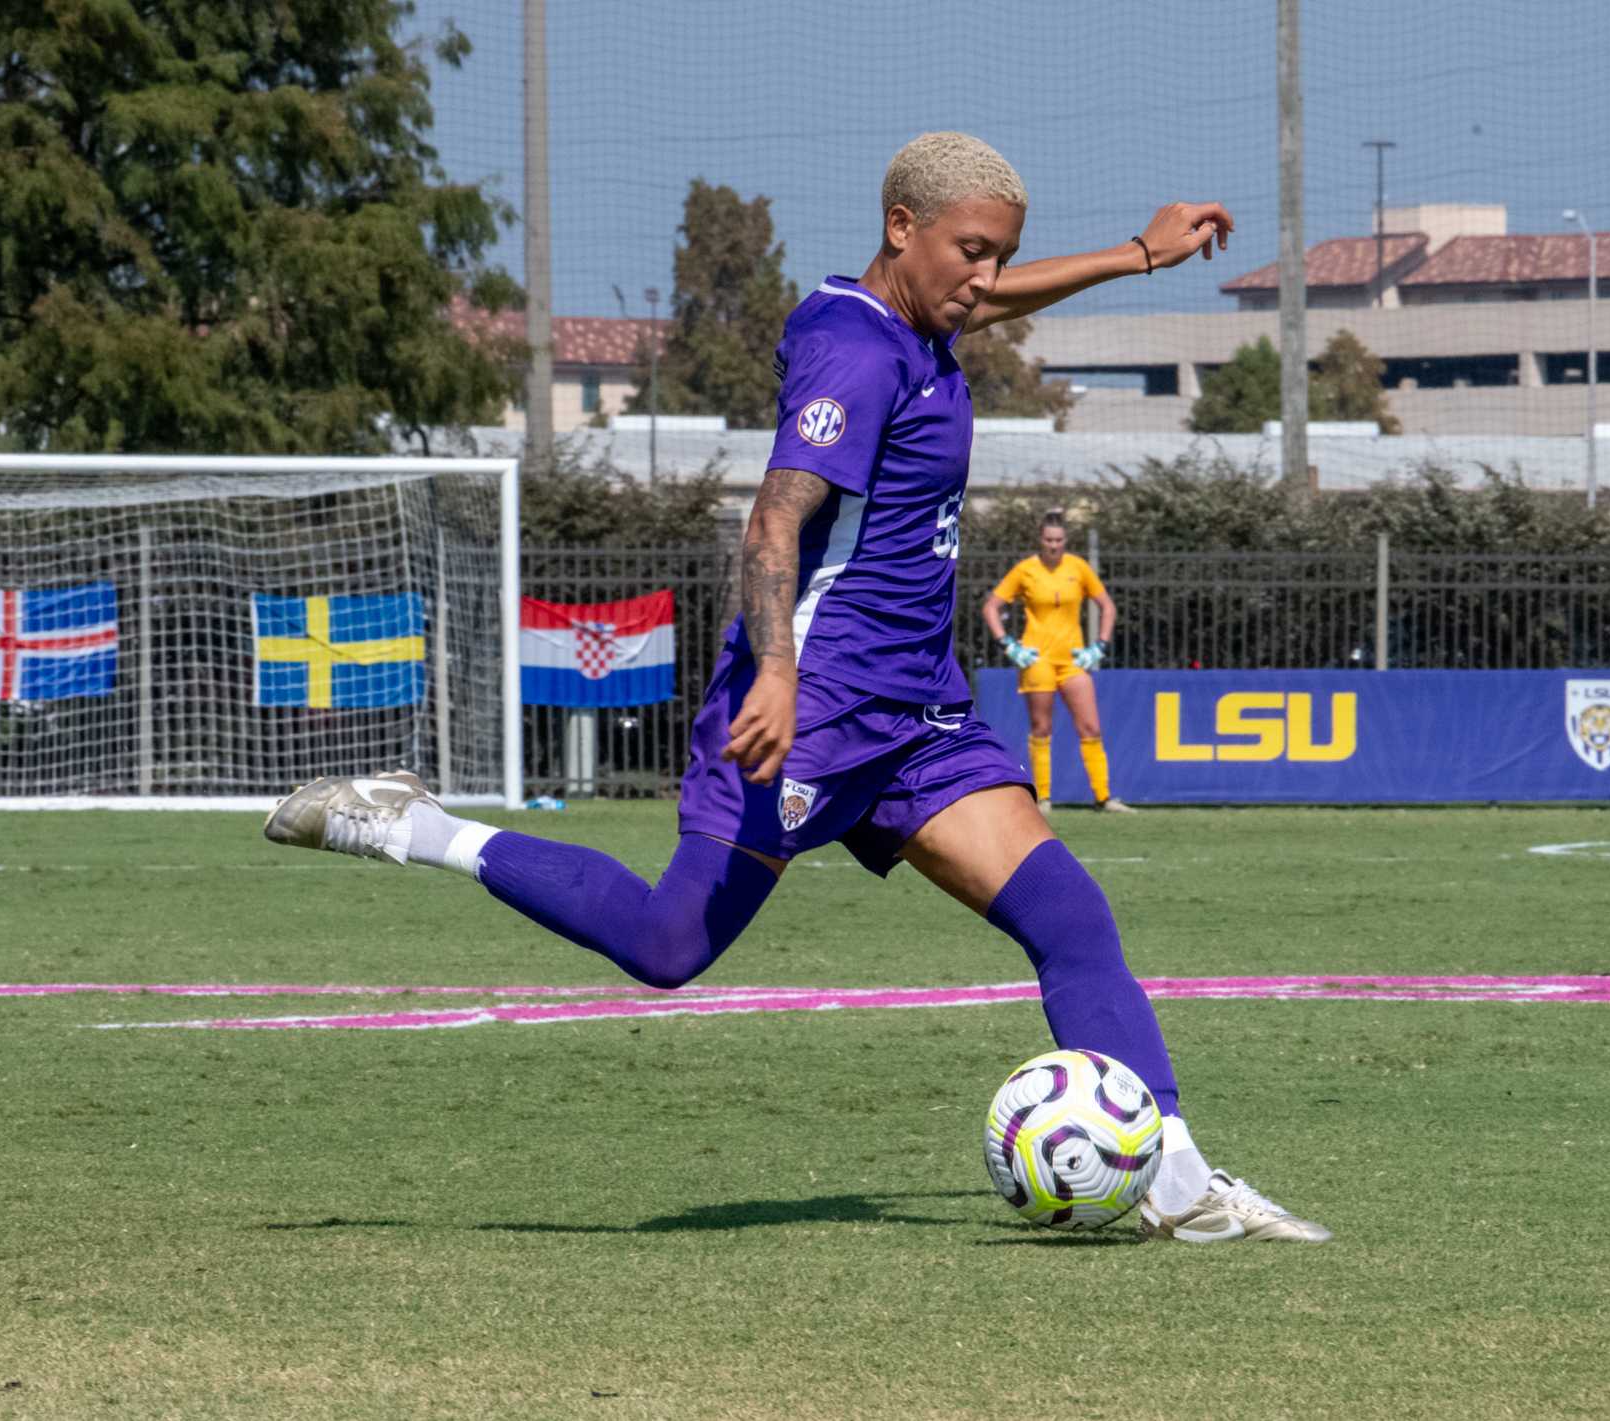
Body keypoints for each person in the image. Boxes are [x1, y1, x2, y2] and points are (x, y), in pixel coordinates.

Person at [263, 132, 1327, 1245]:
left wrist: (1135, 256)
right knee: (668, 945)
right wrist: (774, 670)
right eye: (970, 251)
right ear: (900, 229)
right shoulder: (854, 356)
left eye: (997, 256)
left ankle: (1177, 1183)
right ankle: (413, 825)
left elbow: (985, 300)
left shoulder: (916, 316)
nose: (985, 278)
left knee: (1069, 917)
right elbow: (775, 516)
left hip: (918, 715)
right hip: (810, 710)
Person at [982, 510, 1132, 814]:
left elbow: (1107, 606)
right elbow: (991, 607)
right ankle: (1043, 798)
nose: (1054, 545)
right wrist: (1009, 645)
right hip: (1037, 659)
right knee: (1041, 728)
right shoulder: (1026, 570)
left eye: (1059, 540)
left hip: (1073, 660)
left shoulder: (1078, 567)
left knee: (1090, 726)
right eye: (1049, 540)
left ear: (1066, 540)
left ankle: (1104, 797)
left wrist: (1099, 646)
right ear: (1041, 540)